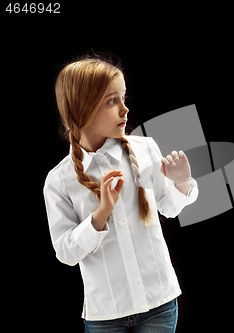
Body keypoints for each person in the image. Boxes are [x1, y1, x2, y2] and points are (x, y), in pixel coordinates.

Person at [43, 56, 198, 332]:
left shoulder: (146, 149)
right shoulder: (59, 181)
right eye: (112, 101)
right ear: (82, 109)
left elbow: (168, 208)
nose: (125, 110)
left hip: (159, 304)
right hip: (106, 314)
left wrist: (182, 182)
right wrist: (101, 213)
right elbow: (66, 253)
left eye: (124, 98)